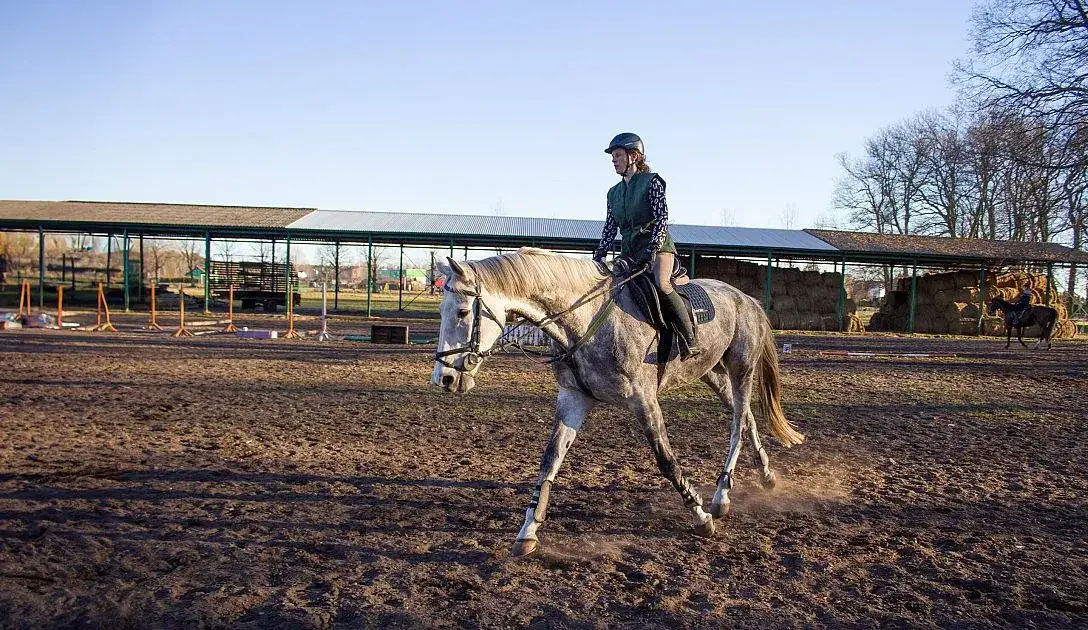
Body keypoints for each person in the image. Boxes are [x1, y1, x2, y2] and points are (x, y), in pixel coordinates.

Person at [592, 132, 701, 359]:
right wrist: (601, 252)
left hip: (658, 247)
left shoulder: (652, 182)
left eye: (618, 155)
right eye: (612, 156)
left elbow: (662, 219)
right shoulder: (613, 193)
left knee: (661, 284)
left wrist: (653, 248)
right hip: (630, 251)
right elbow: (610, 227)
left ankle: (689, 340)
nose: (614, 160)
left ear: (634, 156)